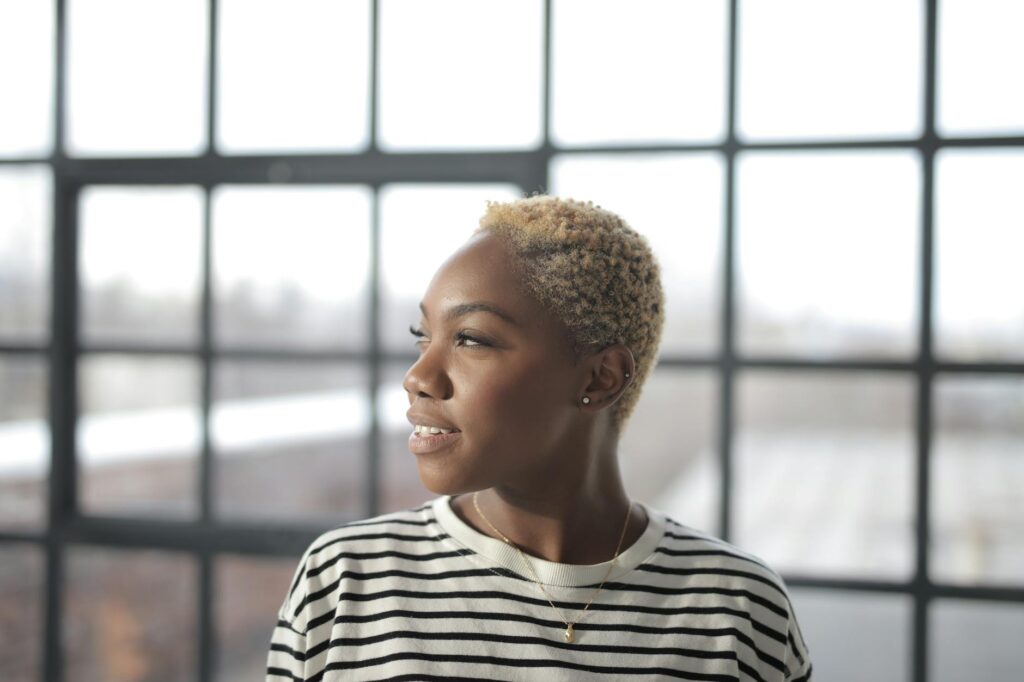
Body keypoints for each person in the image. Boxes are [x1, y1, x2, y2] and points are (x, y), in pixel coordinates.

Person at [266, 195, 813, 681]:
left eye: (471, 339)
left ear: (599, 379)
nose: (419, 377)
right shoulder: (345, 582)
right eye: (422, 337)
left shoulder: (737, 610)